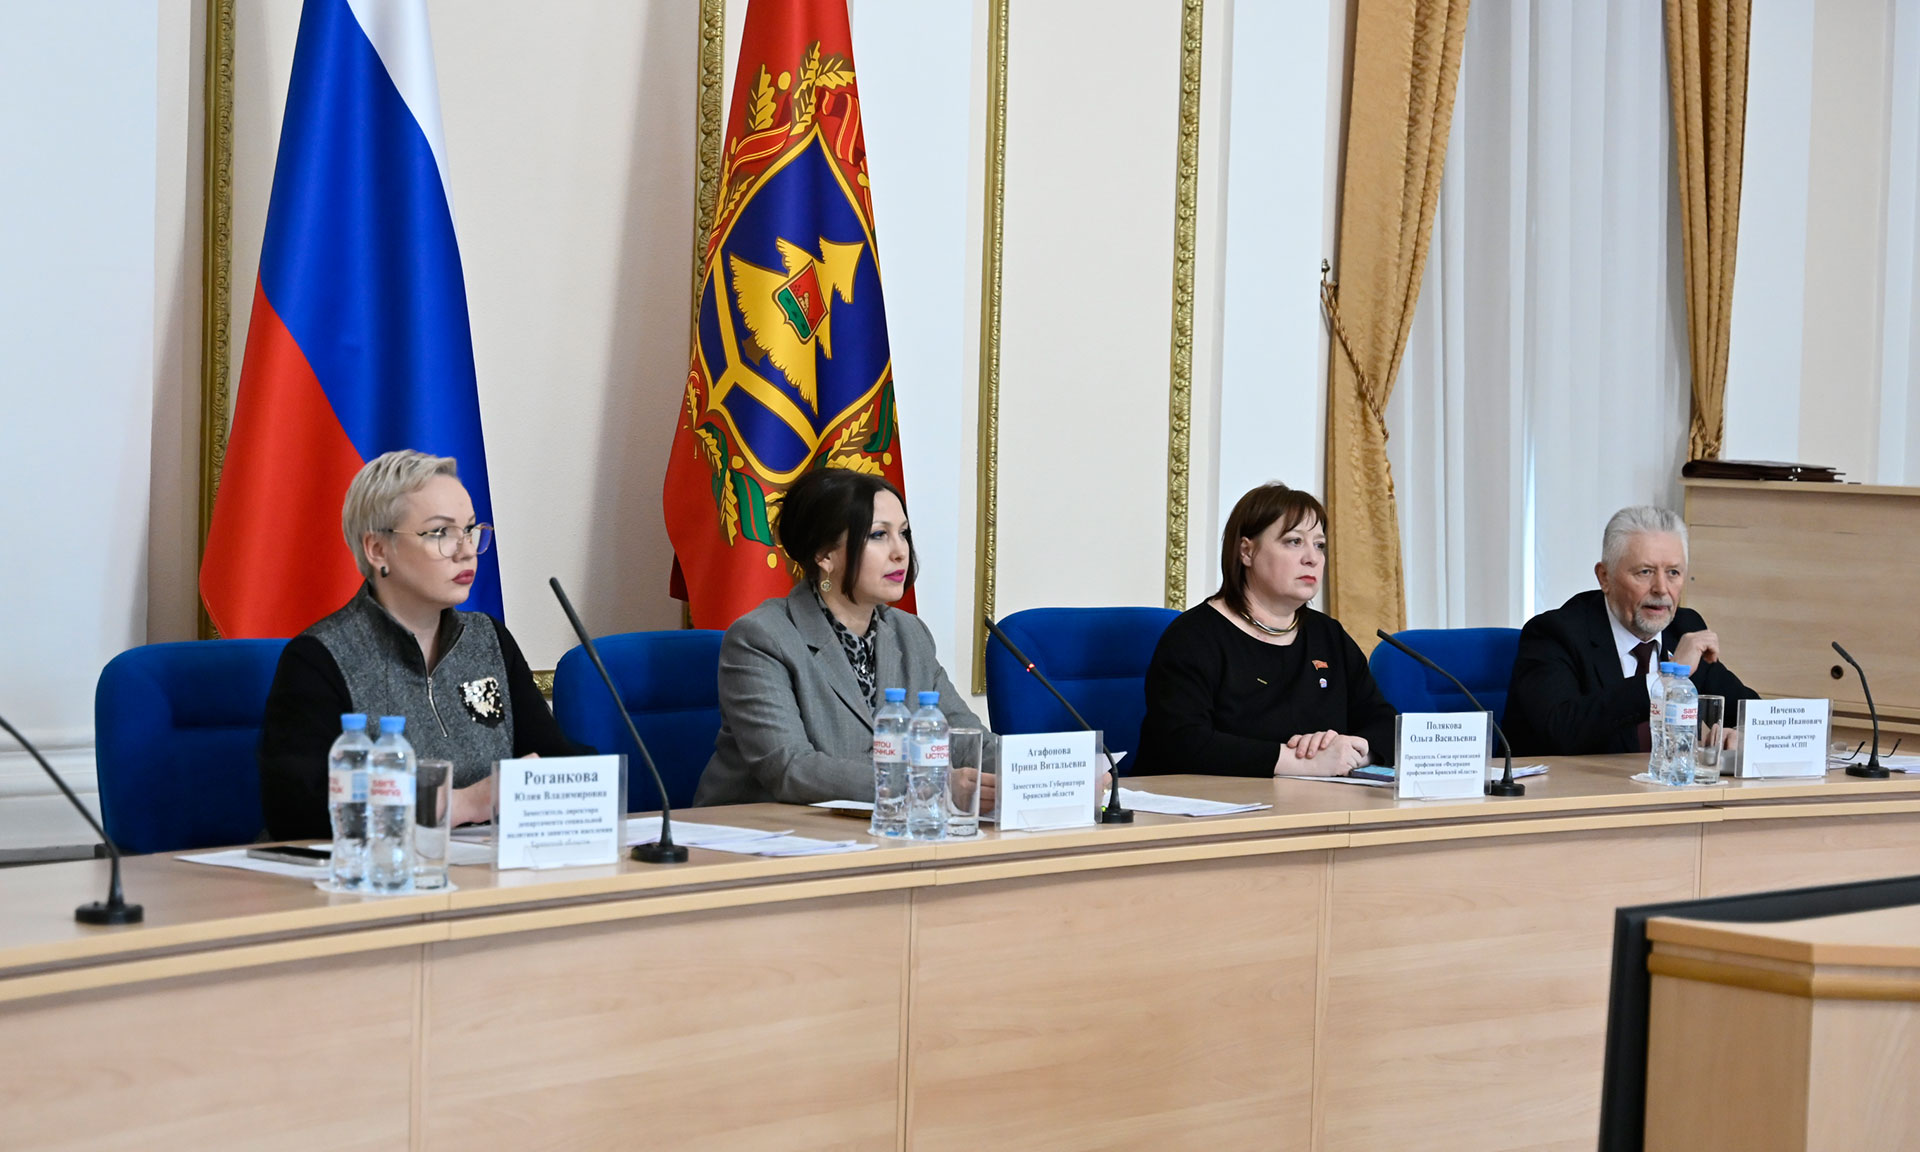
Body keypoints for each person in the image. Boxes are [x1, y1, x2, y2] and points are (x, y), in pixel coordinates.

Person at [258, 451, 583, 840]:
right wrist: (460, 804)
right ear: (378, 549)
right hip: (375, 871)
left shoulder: (487, 640)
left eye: (469, 529)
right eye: (441, 533)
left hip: (483, 867)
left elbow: (550, 758)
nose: (466, 550)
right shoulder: (318, 658)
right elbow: (298, 810)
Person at [693, 468, 991, 806]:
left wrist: (1030, 769)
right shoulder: (762, 638)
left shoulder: (910, 634)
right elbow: (790, 768)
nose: (900, 551)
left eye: (903, 533)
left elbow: (968, 742)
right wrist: (927, 785)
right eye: (878, 535)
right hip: (762, 830)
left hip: (870, 827)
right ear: (824, 555)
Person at [1134, 483, 1397, 777]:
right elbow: (1183, 742)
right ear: (1247, 552)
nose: (1312, 557)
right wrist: (1303, 763)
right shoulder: (1193, 637)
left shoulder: (1329, 635)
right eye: (1294, 541)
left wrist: (1353, 753)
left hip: (1316, 799)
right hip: (1206, 801)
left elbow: (1385, 723)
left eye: (1319, 545)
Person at [1503, 505, 1758, 756]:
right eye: (1645, 572)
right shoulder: (1555, 633)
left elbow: (1753, 713)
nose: (1661, 588)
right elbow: (1560, 730)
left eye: (1673, 572)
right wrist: (1665, 679)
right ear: (1605, 577)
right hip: (1572, 783)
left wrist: (1744, 733)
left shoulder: (1684, 629)